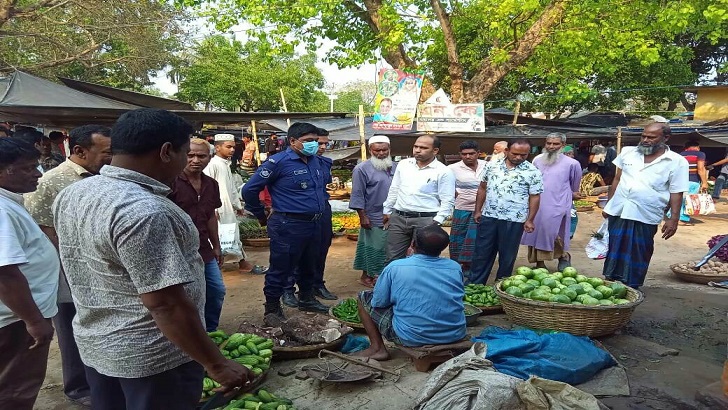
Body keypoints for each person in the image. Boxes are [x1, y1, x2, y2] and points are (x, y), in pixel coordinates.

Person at [53, 108, 252, 409]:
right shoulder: (146, 212)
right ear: (166, 151)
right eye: (186, 152)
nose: (188, 161)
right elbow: (165, 303)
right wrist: (217, 364)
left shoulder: (75, 193)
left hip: (99, 347)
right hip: (154, 358)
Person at [24, 124, 112, 407]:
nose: (111, 158)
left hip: (102, 267)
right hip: (68, 269)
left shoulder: (106, 176)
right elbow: (43, 227)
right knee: (72, 327)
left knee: (99, 323)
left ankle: (103, 380)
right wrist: (69, 264)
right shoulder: (52, 181)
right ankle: (78, 387)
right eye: (106, 152)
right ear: (79, 151)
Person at [242, 122, 331, 321]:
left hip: (314, 223)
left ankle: (307, 298)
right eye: (308, 141)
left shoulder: (316, 161)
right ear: (292, 141)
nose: (314, 145)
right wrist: (260, 213)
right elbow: (249, 190)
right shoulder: (278, 162)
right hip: (288, 224)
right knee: (281, 267)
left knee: (310, 264)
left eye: (316, 141)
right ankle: (272, 308)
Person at [0, 138, 59, 410]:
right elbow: (5, 273)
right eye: (27, 169)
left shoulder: (10, 202)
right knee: (16, 388)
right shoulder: (2, 210)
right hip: (17, 320)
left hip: (18, 316)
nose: (37, 174)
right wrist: (34, 321)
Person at [354, 225, 466, 360]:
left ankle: (377, 348)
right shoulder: (454, 267)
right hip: (455, 333)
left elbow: (379, 302)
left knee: (363, 297)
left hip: (412, 337)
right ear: (443, 248)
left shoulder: (395, 267)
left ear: (412, 244)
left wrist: (383, 284)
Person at [602, 123, 689, 288]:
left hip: (646, 213)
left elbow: (676, 191)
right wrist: (609, 203)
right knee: (615, 246)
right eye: (644, 136)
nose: (646, 140)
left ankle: (632, 286)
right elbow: (617, 179)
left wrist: (674, 218)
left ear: (665, 138)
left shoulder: (677, 162)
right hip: (619, 209)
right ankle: (611, 280)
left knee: (639, 250)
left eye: (651, 137)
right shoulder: (628, 153)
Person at [169, 138, 225, 332]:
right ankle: (191, 333)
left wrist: (216, 245)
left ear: (210, 158)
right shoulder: (170, 183)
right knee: (188, 294)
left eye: (201, 156)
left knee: (216, 290)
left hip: (204, 249)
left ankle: (210, 331)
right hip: (177, 251)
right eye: (190, 155)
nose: (195, 160)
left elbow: (211, 215)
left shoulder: (211, 184)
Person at [471, 139, 543, 284]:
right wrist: (477, 210)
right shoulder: (492, 166)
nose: (519, 158)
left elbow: (535, 196)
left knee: (507, 256)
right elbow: (482, 188)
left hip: (514, 220)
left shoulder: (532, 171)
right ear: (506, 151)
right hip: (489, 216)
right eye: (515, 154)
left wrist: (530, 219)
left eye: (523, 155)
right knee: (482, 253)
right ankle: (475, 285)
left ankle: (501, 287)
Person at [281, 128, 338, 307]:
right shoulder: (288, 161)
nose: (320, 147)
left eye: (324, 143)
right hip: (298, 214)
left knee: (320, 249)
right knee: (294, 253)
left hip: (321, 210)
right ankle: (288, 289)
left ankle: (316, 284)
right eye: (317, 142)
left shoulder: (324, 162)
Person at [382, 135, 455, 263]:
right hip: (399, 217)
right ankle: (396, 282)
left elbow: (448, 199)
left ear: (435, 151)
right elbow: (395, 188)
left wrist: (437, 221)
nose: (417, 150)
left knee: (423, 258)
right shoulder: (404, 165)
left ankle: (417, 282)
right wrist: (387, 210)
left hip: (426, 220)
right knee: (393, 257)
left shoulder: (443, 171)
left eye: (423, 148)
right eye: (416, 146)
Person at [204, 134, 264, 274]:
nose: (232, 150)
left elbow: (230, 188)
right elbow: (208, 188)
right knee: (221, 237)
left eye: (233, 147)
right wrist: (212, 209)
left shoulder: (226, 164)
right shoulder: (213, 165)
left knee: (230, 235)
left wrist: (237, 205)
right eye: (228, 147)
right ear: (217, 147)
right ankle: (237, 264)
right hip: (218, 208)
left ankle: (240, 263)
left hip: (228, 207)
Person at [520, 133, 582, 271]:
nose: (551, 147)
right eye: (549, 143)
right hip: (537, 203)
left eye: (556, 144)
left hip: (559, 203)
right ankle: (540, 264)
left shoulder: (572, 164)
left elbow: (574, 187)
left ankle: (563, 257)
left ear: (563, 145)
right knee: (535, 232)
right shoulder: (537, 160)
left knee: (555, 232)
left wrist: (569, 197)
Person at [350, 135, 396, 288]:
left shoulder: (397, 167)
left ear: (389, 149)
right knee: (374, 246)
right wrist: (362, 216)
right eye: (377, 150)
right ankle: (369, 275)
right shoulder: (361, 169)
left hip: (396, 215)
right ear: (370, 150)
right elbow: (357, 194)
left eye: (384, 150)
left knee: (391, 247)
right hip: (374, 214)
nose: (381, 153)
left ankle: (383, 276)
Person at [448, 140, 486, 274]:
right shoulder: (452, 168)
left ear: (478, 153)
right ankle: (457, 267)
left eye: (471, 153)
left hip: (483, 210)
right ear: (460, 154)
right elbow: (447, 187)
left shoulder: (487, 166)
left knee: (477, 239)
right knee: (458, 239)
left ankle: (473, 267)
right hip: (461, 208)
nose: (468, 157)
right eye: (464, 154)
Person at [678, 140, 708, 225]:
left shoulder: (680, 155)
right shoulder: (700, 154)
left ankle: (673, 215)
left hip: (681, 180)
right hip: (693, 180)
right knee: (688, 200)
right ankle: (681, 218)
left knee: (680, 199)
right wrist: (704, 182)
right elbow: (701, 169)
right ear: (697, 147)